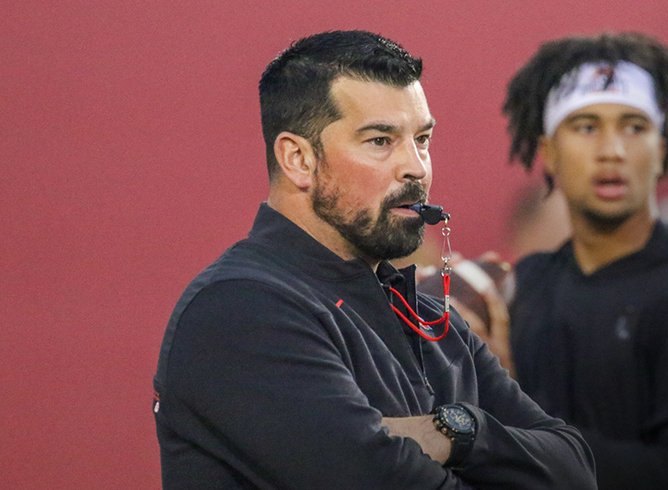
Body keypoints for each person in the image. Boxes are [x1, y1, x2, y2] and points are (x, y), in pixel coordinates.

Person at [152, 30, 595, 489]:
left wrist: (458, 430)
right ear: (298, 158)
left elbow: (575, 469)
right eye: (380, 141)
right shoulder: (240, 309)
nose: (416, 167)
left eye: (421, 139)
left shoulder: (432, 319)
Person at [496, 32, 668, 489]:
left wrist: (519, 443)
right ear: (549, 152)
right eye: (586, 126)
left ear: (662, 148)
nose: (612, 150)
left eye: (634, 126)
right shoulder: (532, 283)